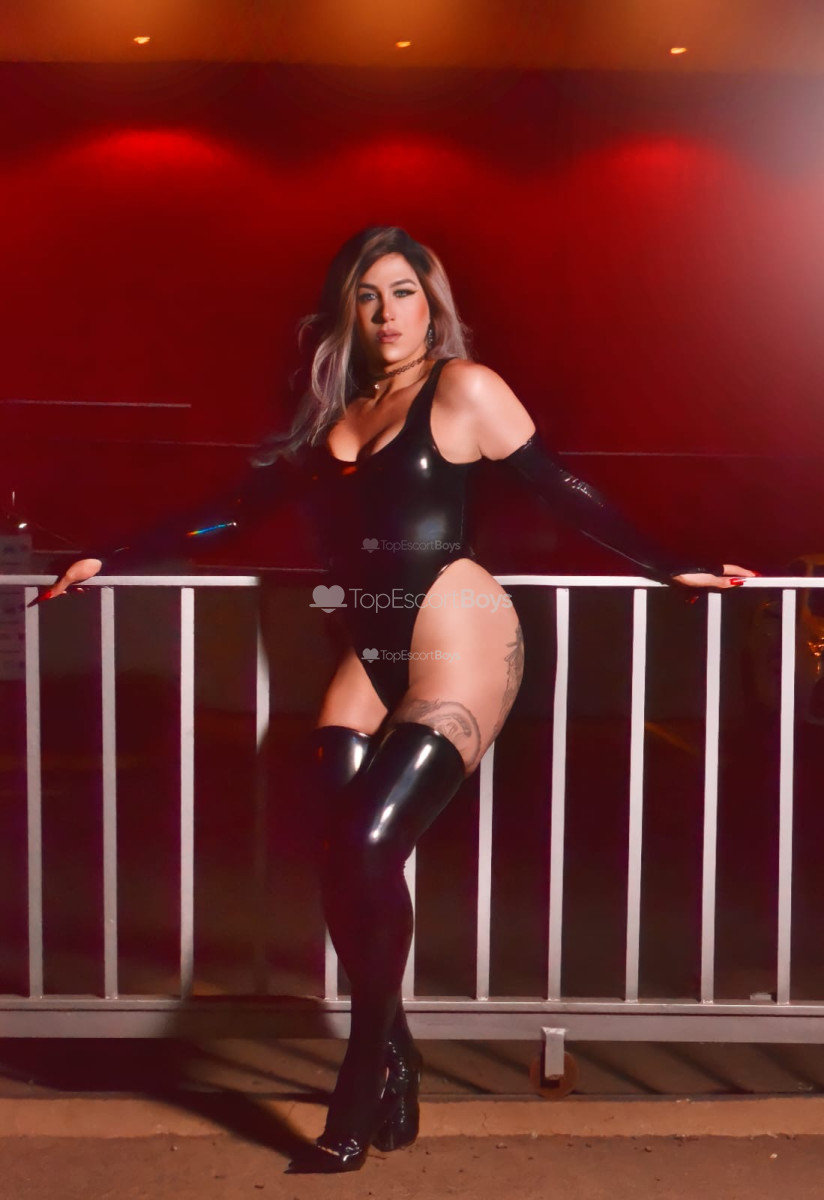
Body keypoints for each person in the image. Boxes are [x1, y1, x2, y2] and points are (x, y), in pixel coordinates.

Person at [43, 226, 755, 1172]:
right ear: (348, 309)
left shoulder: (464, 389)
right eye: (369, 295)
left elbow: (561, 489)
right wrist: (111, 554)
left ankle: (362, 1071)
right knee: (342, 853)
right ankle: (398, 1051)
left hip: (460, 638)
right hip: (370, 649)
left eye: (405, 292)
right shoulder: (337, 410)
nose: (388, 312)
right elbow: (237, 509)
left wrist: (676, 564)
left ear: (432, 302)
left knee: (367, 843)